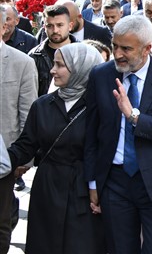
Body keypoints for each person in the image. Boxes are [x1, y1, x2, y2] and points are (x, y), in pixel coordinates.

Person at [84, 15, 152, 253]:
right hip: (115, 181)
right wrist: (93, 183)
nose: (118, 54)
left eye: (126, 48)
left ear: (147, 49)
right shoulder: (101, 75)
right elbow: (92, 134)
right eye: (115, 46)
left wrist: (134, 117)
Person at [8, 43, 105, 253]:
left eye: (60, 65)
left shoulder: (101, 108)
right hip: (48, 189)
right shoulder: (42, 105)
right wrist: (5, 160)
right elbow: (26, 146)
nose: (52, 70)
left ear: (80, 68)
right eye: (53, 64)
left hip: (84, 193)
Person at [0, 6, 38, 253]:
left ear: (4, 28)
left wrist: (23, 158)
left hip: (4, 160)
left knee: (1, 224)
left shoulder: (22, 63)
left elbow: (28, 114)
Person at [29, 4, 77, 96]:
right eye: (50, 26)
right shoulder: (34, 56)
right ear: (44, 27)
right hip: (44, 108)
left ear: (70, 26)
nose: (55, 30)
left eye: (60, 25)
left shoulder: (83, 53)